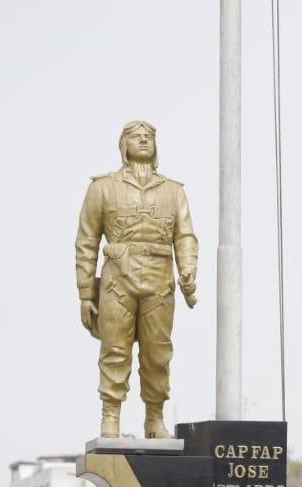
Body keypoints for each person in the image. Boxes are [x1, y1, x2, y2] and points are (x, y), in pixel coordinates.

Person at [75, 120, 199, 439]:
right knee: (114, 349)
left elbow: (185, 235)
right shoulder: (102, 188)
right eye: (136, 136)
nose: (143, 140)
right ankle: (110, 415)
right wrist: (86, 293)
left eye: (149, 137)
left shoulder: (174, 191)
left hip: (159, 279)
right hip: (119, 278)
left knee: (157, 352)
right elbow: (87, 241)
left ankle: (154, 419)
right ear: (123, 144)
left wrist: (188, 271)